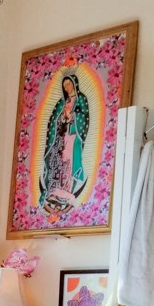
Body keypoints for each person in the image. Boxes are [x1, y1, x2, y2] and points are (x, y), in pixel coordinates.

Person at [39, 72, 90, 217]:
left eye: (68, 84)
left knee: (67, 163)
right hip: (60, 137)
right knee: (57, 163)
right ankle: (54, 191)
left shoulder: (82, 100)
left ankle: (65, 191)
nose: (67, 87)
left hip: (72, 136)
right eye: (64, 85)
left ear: (74, 84)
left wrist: (73, 117)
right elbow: (53, 120)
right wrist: (62, 118)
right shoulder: (61, 103)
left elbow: (84, 117)